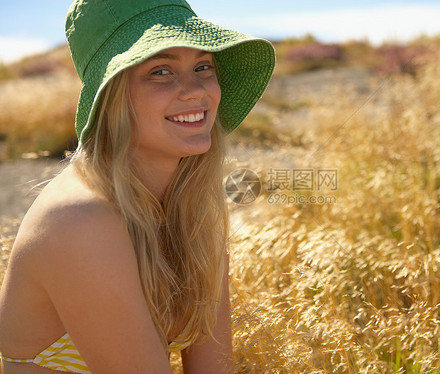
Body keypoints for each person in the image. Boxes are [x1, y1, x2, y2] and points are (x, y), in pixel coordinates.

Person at [0, 0, 275, 372]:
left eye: (203, 66)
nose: (195, 90)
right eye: (160, 71)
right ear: (111, 97)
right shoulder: (80, 221)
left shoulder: (192, 203)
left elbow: (215, 366)